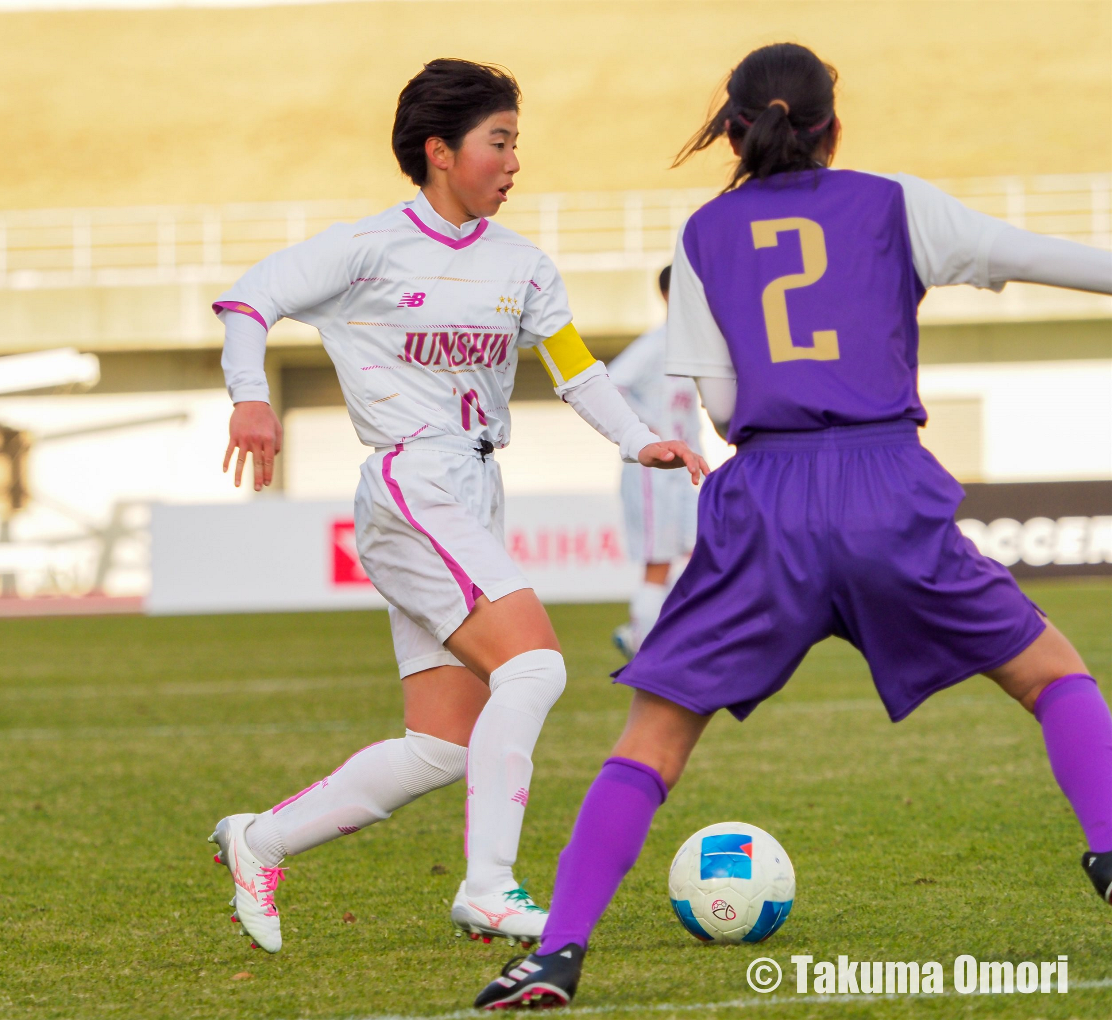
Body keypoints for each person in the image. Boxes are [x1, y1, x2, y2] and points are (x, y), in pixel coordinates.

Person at [475, 42, 1112, 1009]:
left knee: (650, 745)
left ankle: (556, 949)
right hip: (887, 488)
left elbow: (726, 406)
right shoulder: (898, 204)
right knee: (1053, 675)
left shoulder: (700, 235)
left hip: (767, 497)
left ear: (732, 131)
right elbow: (1049, 259)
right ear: (832, 126)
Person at [206, 58, 706, 955]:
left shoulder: (524, 266)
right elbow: (250, 299)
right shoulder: (367, 248)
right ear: (441, 151)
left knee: (440, 746)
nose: (515, 162)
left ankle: (260, 839)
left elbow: (577, 371)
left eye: (517, 143)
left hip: (473, 487)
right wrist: (250, 394)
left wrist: (641, 442)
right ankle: (489, 890)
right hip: (411, 480)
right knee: (538, 669)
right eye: (499, 142)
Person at [608, 265, 704, 659]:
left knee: (696, 553)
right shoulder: (655, 344)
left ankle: (662, 636)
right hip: (654, 473)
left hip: (684, 472)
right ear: (668, 296)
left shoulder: (692, 346)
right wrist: (645, 431)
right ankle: (645, 649)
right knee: (659, 562)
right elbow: (612, 383)